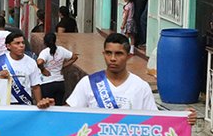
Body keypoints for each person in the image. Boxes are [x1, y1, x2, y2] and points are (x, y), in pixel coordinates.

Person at [36, 34, 198, 126]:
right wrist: (49, 108)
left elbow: (155, 122)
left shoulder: (140, 87)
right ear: (104, 54)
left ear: (128, 56)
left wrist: (182, 118)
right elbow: (68, 114)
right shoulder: (88, 83)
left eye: (119, 54)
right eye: (109, 53)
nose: (113, 58)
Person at [0, 32, 42, 105]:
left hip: (24, 104)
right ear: (8, 46)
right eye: (17, 43)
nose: (21, 45)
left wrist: (39, 103)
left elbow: (35, 86)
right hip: (4, 104)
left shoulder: (31, 62)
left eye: (23, 43)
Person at [37, 32, 78, 106]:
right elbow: (74, 57)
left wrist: (43, 69)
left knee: (47, 107)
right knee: (58, 107)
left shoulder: (45, 52)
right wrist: (63, 66)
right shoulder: (61, 50)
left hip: (47, 83)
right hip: (60, 83)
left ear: (45, 42)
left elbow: (39, 62)